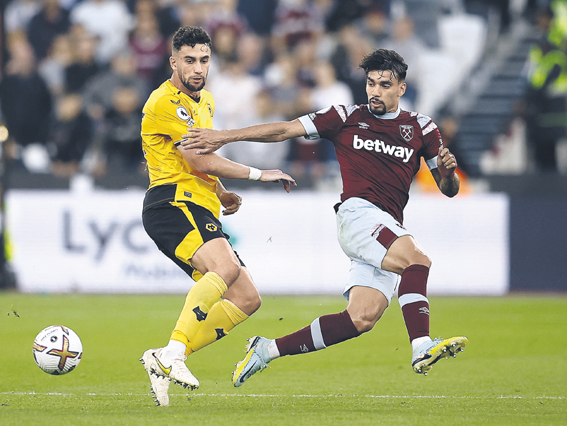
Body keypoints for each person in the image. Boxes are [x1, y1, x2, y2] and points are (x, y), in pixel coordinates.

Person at [180, 48, 468, 387]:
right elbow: (284, 130)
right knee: (417, 260)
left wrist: (449, 173)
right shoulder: (344, 116)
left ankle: (266, 350)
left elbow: (448, 188)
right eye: (370, 83)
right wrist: (223, 137)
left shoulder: (421, 127)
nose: (375, 91)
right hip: (358, 215)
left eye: (384, 84)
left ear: (401, 88)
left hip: (386, 226)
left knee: (361, 318)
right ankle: (421, 345)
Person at [138, 26, 295, 407]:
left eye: (204, 60)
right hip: (172, 202)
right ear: (173, 61)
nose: (197, 68)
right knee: (223, 270)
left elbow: (198, 159)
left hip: (199, 202)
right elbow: (196, 157)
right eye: (189, 60)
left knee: (246, 297)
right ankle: (173, 352)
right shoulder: (164, 102)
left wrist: (221, 193)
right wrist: (260, 174)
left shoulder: (204, 100)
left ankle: (167, 356)